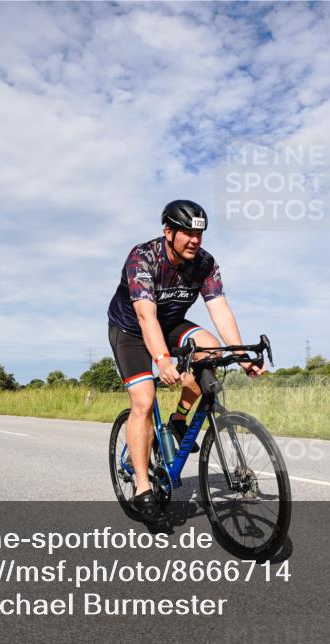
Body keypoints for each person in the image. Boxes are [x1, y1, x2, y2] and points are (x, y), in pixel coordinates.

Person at [107, 200, 266, 521]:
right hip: (131, 330)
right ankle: (142, 487)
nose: (195, 240)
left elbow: (220, 310)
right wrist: (162, 360)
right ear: (168, 232)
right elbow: (145, 316)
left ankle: (179, 420)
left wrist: (241, 356)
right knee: (144, 400)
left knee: (211, 352)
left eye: (199, 234)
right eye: (187, 233)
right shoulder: (143, 258)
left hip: (170, 324)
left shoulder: (205, 263)